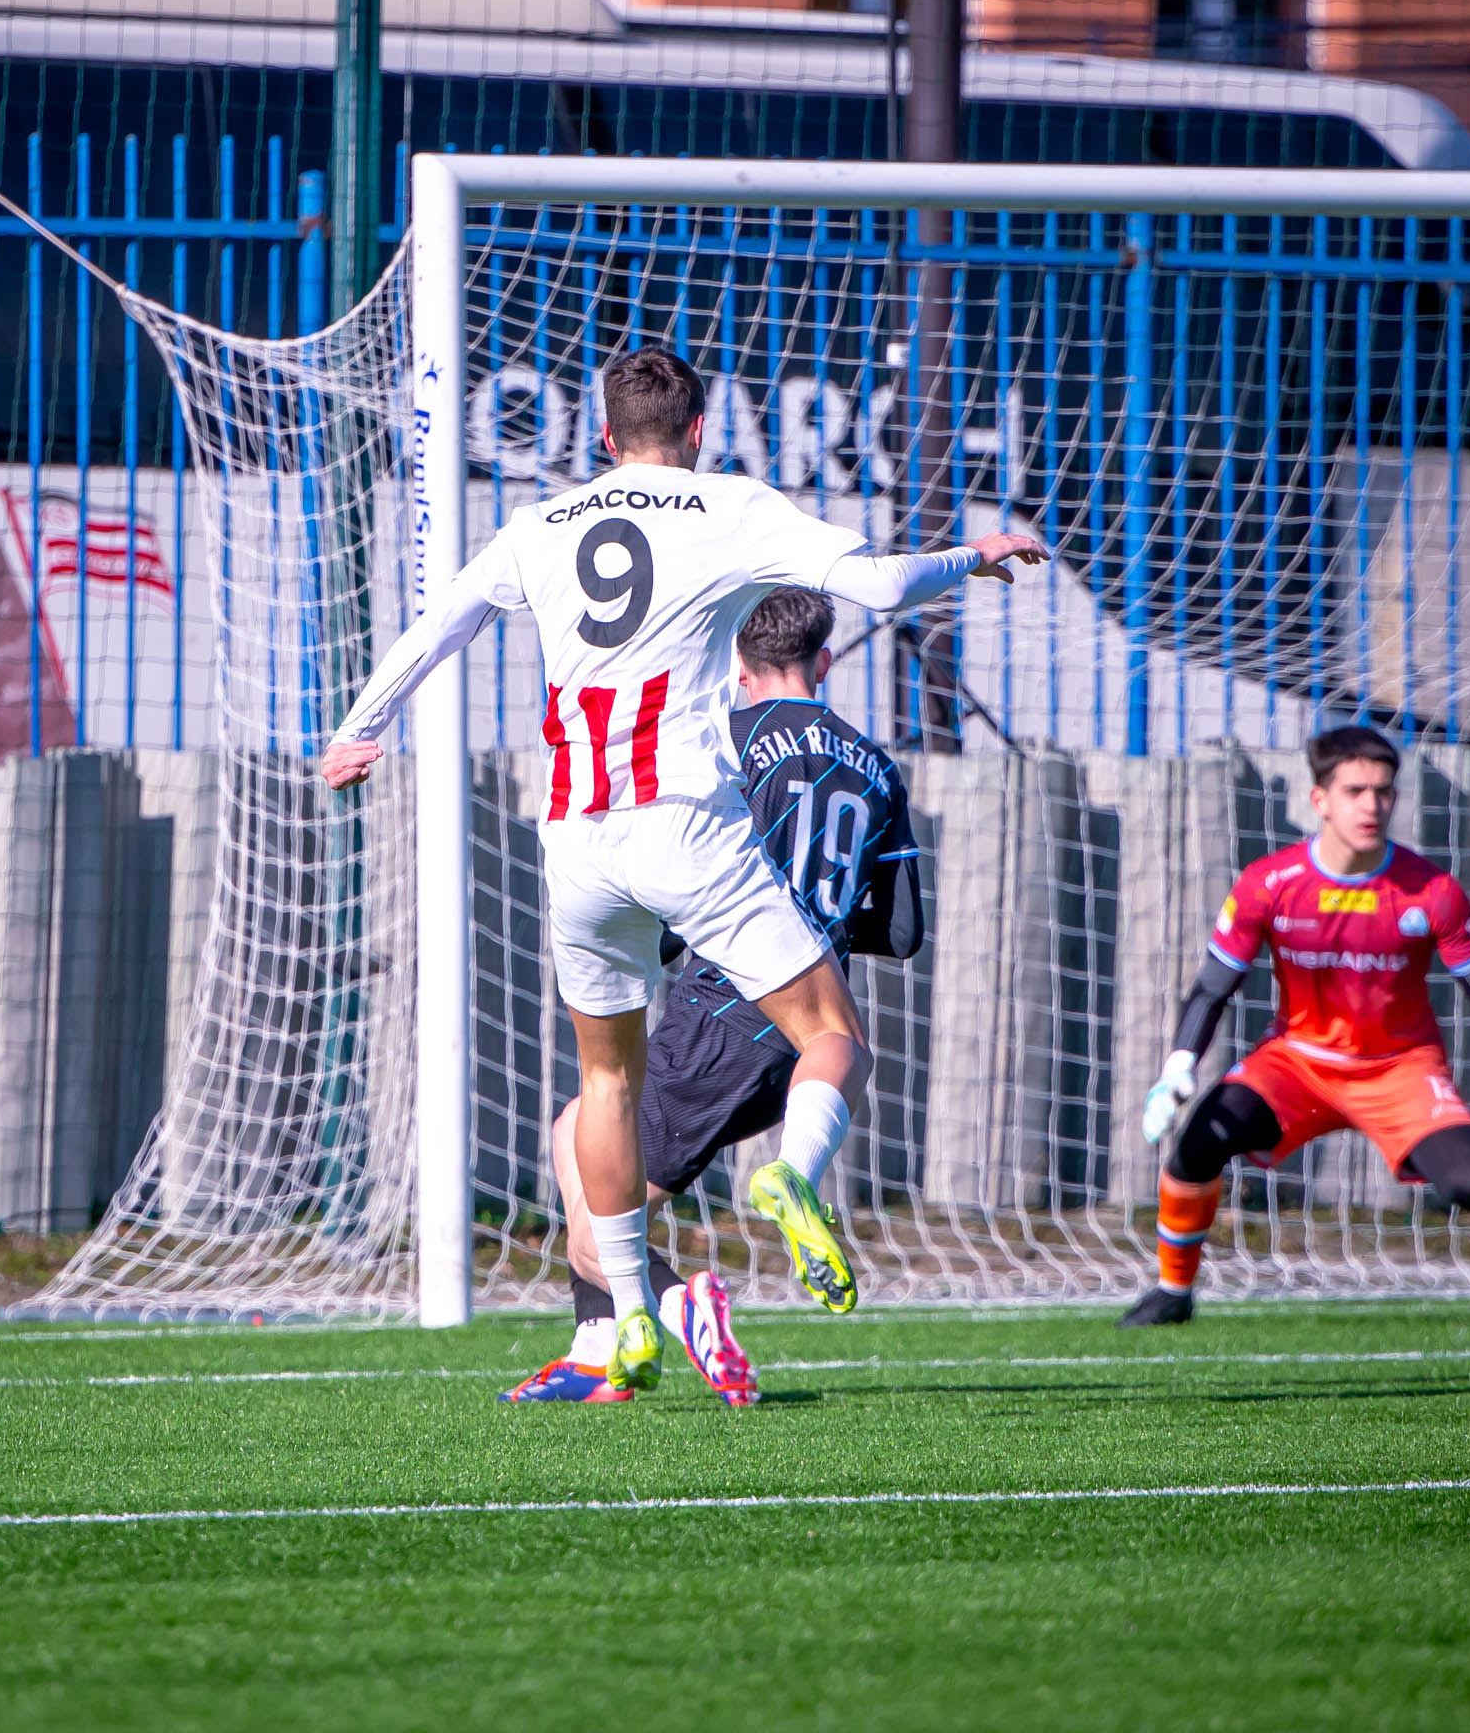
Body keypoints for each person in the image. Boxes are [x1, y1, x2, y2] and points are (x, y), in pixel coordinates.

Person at [321, 347, 1044, 1394]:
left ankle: (625, 1322)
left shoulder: (536, 528)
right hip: (688, 829)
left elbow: (443, 623)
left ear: (603, 440)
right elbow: (883, 580)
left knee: (604, 1081)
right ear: (698, 429)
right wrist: (970, 554)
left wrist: (360, 729)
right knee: (830, 1035)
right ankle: (793, 1176)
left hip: (576, 839)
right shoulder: (726, 505)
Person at [505, 585, 927, 1405]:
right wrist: (826, 922)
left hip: (724, 1005)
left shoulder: (725, 741)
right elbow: (903, 932)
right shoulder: (877, 763)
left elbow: (680, 866)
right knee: (579, 1135)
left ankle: (677, 1308)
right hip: (805, 1033)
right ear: (824, 661)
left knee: (596, 1214)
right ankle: (602, 1349)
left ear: (735, 665)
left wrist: (655, 939)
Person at [1121, 724, 1470, 1327]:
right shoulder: (1269, 885)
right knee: (1202, 1139)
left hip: (1400, 1069)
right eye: (1355, 790)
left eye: (1383, 791)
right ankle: (1172, 1293)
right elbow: (1212, 985)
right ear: (1320, 800)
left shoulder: (1431, 890)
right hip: (1296, 1062)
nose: (1372, 805)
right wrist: (1178, 1068)